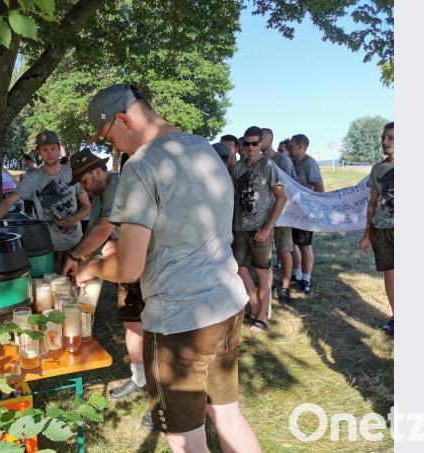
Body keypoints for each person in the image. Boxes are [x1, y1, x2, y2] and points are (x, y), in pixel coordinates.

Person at [76, 84, 261, 452]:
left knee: (185, 441)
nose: (114, 148)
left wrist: (92, 267)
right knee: (229, 418)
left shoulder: (141, 165)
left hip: (180, 322)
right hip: (226, 306)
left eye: (109, 137)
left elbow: (129, 268)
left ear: (123, 119)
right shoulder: (203, 149)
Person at [61, 149, 148, 413]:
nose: (83, 188)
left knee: (156, 329)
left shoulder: (118, 185)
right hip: (123, 265)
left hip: (146, 264)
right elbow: (97, 234)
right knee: (131, 321)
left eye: (85, 181)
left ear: (98, 170)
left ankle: (163, 396)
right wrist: (83, 262)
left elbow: (104, 229)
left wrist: (75, 257)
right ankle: (140, 378)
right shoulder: (100, 194)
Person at [0, 130, 91, 272]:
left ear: (59, 148)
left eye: (52, 148)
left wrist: (74, 218)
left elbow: (87, 206)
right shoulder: (32, 178)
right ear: (39, 152)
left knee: (78, 283)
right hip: (47, 249)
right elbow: (8, 201)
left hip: (76, 247)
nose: (49, 153)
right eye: (44, 150)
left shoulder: (72, 172)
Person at [233, 126, 287, 332]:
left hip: (260, 229)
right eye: (246, 144)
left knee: (262, 273)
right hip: (240, 229)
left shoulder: (268, 165)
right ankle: (255, 306)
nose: (250, 147)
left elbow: (281, 198)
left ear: (261, 142)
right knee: (240, 269)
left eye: (254, 143)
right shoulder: (238, 168)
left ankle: (261, 318)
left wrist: (266, 228)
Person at [359, 122, 394, 336]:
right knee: (391, 274)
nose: (385, 142)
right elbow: (372, 204)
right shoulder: (378, 169)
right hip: (382, 228)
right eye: (383, 138)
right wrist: (367, 234)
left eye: (391, 138)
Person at [261, 128, 297, 304]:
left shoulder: (283, 161)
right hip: (263, 213)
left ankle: (285, 286)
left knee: (284, 249)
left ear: (270, 140)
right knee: (264, 252)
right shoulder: (258, 160)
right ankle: (265, 286)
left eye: (262, 138)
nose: (259, 142)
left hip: (282, 213)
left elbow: (293, 185)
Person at [288, 134, 325, 295]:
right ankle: (296, 274)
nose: (289, 148)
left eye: (291, 146)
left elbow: (320, 189)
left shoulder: (310, 164)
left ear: (301, 146)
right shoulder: (290, 162)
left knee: (305, 245)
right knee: (292, 244)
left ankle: (306, 279)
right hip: (291, 212)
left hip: (305, 213)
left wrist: (313, 209)